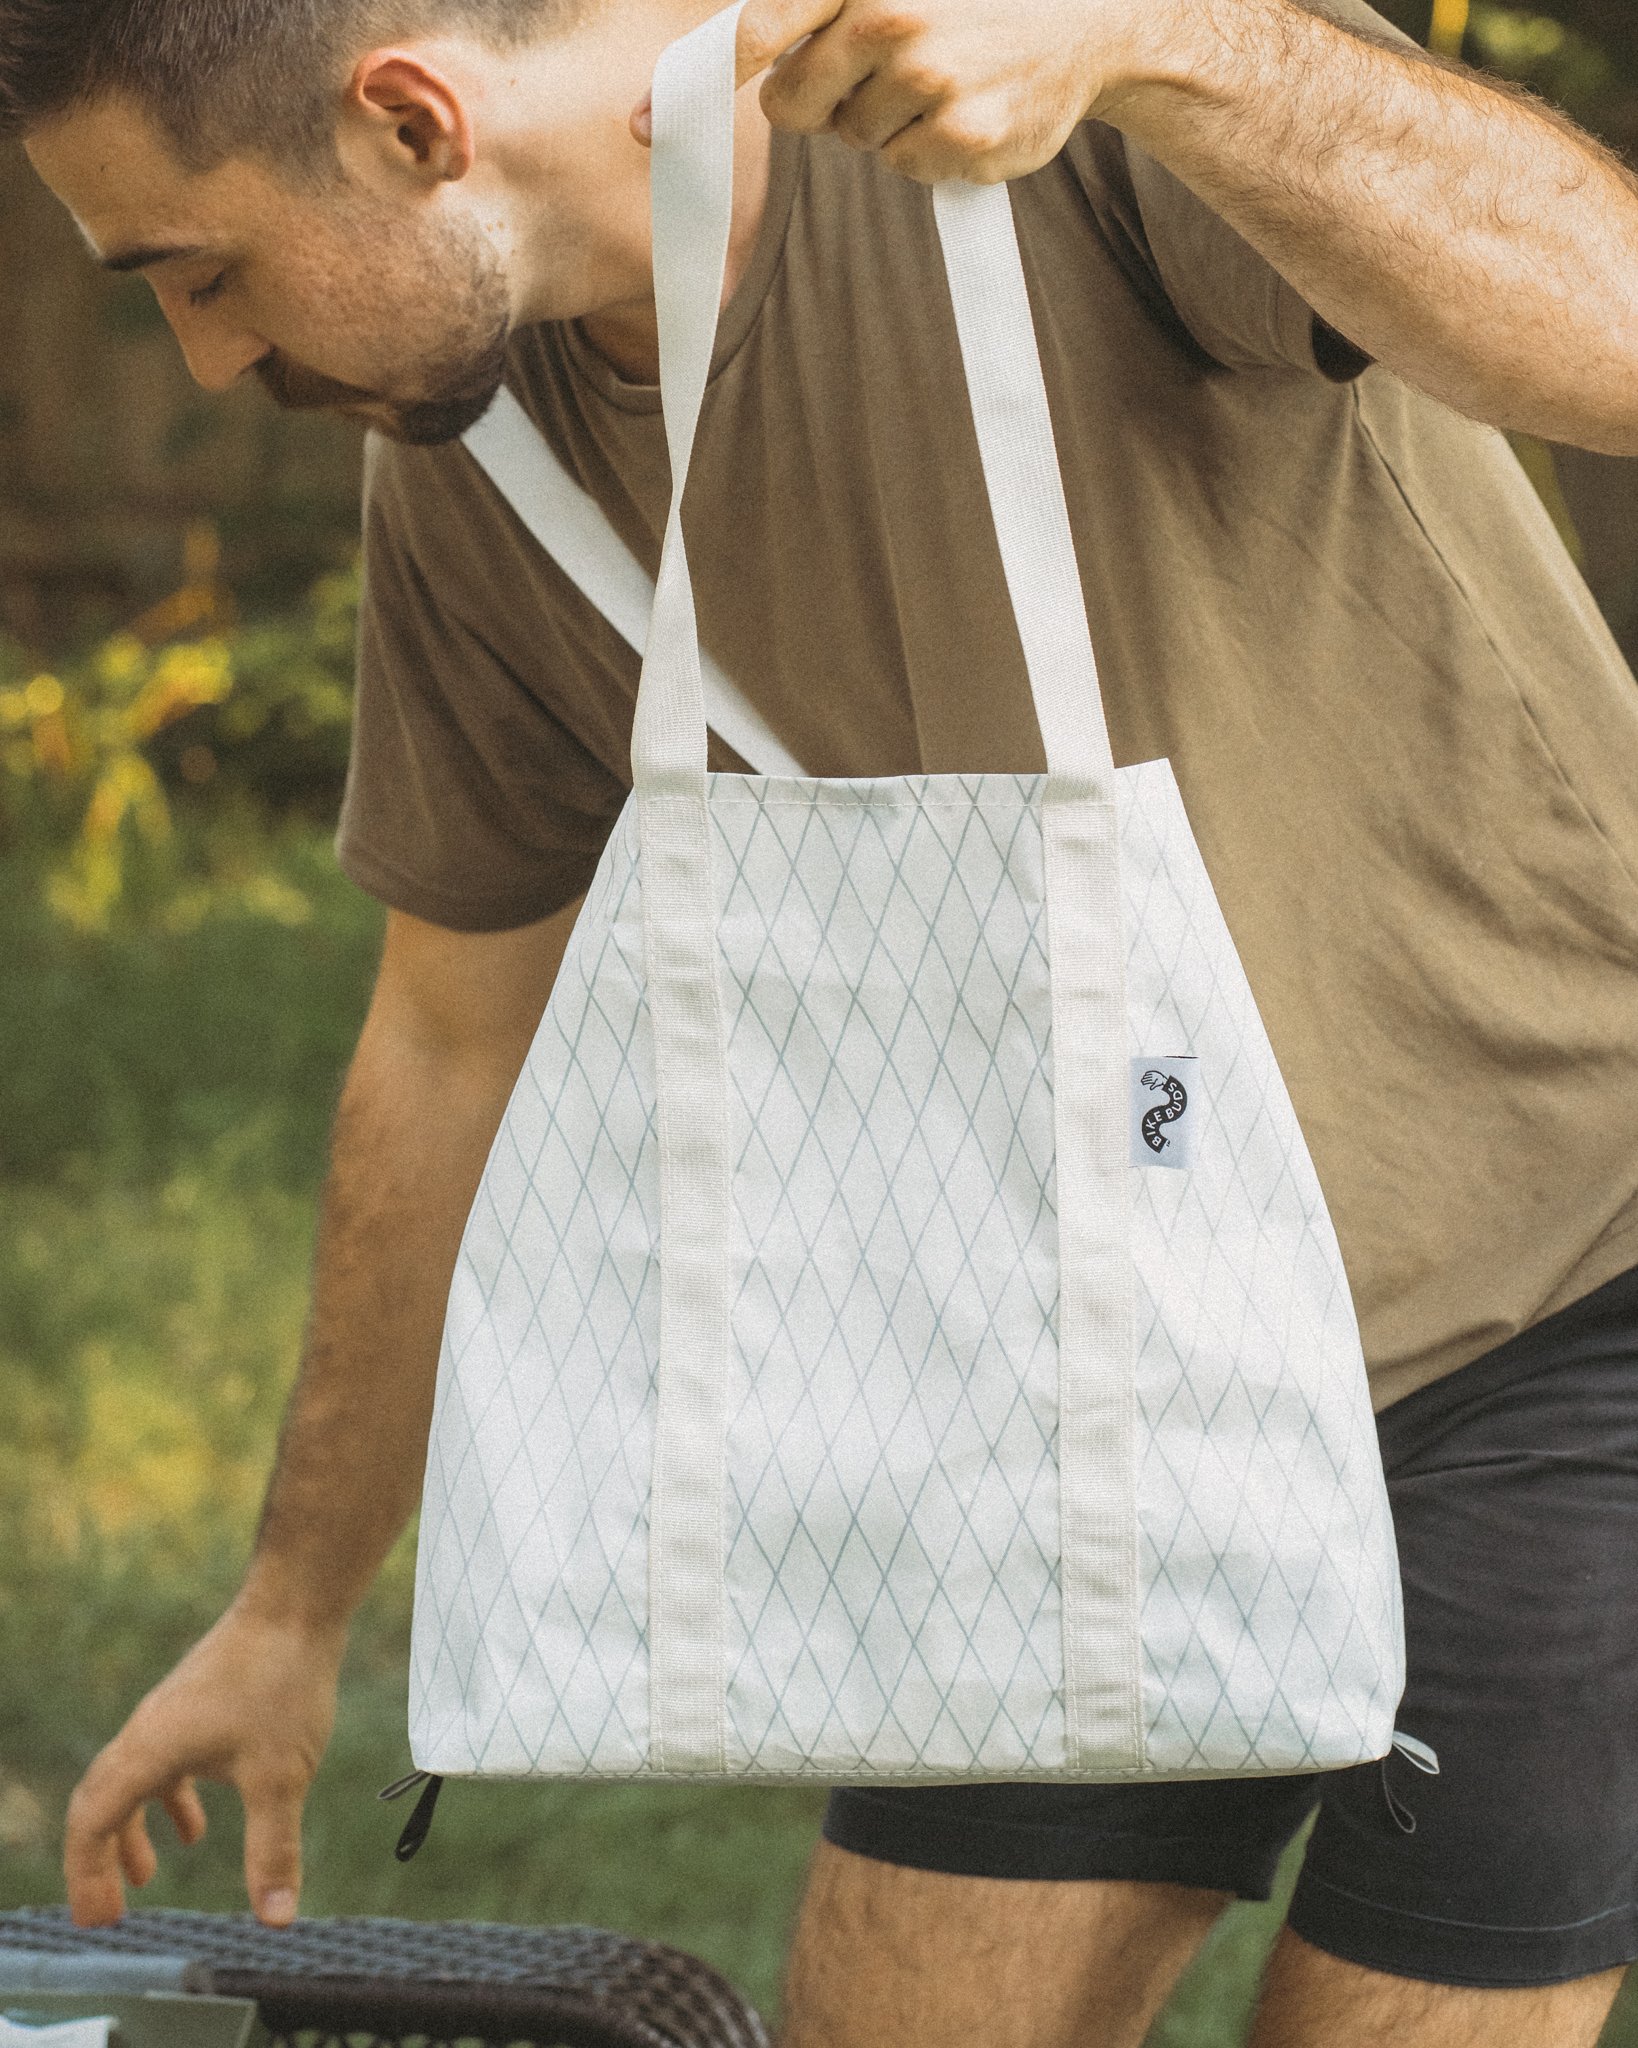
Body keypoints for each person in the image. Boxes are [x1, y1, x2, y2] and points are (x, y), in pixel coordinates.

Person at [9, 0, 1638, 2040]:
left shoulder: (1052, 89)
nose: (206, 361)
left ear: (412, 120)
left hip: (1561, 1288)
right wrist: (290, 1605)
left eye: (199, 275)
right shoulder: (477, 461)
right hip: (1065, 1372)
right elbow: (448, 1044)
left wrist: (1166, 43)